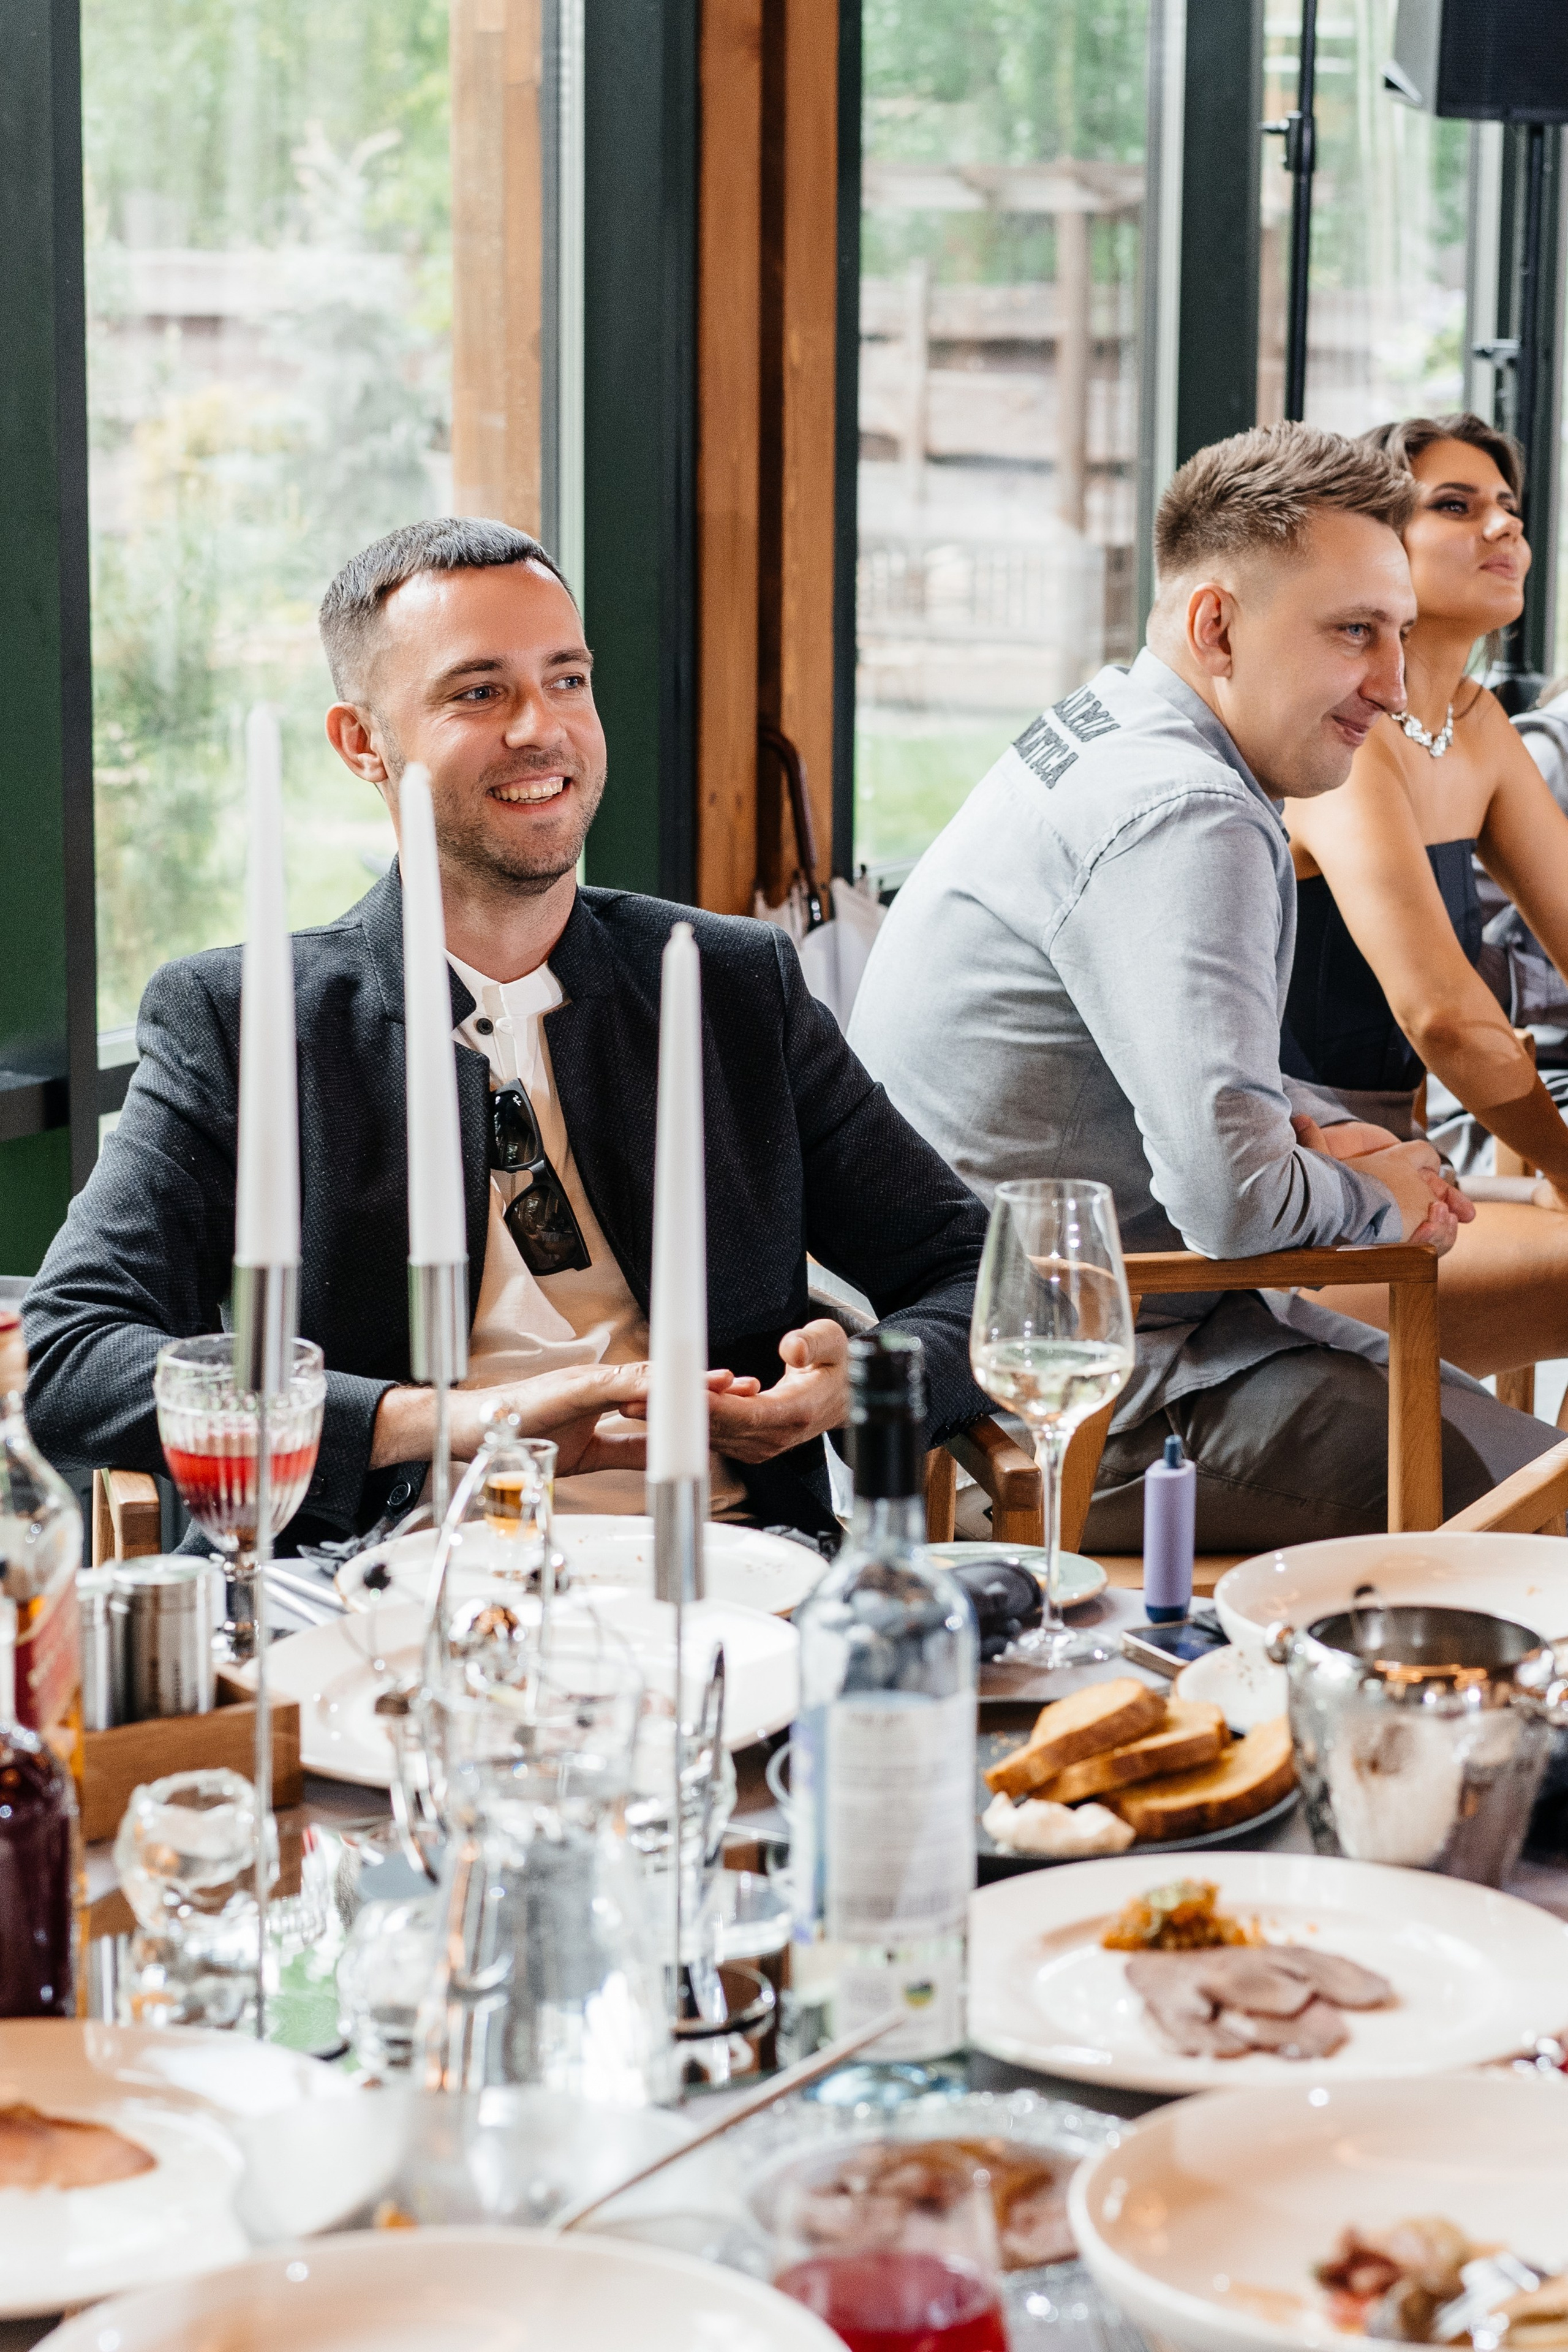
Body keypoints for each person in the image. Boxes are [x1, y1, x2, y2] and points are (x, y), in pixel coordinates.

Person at [23, 519, 993, 1548]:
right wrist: (446, 1423)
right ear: (363, 743)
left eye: (567, 680)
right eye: (479, 691)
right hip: (384, 1579)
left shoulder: (730, 983)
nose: (542, 728)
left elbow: (977, 1273)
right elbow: (71, 1355)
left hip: (736, 1567)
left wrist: (862, 1384)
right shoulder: (243, 1018)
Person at [849, 421, 1561, 1550]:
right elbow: (1231, 1205)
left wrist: (1327, 1132)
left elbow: (1186, 1056)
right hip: (1097, 1383)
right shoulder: (1192, 813)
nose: (1388, 684)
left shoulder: (1107, 723)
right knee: (1552, 1508)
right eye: (1352, 634)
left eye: (1399, 633)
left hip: (997, 1326)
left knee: (1519, 1455)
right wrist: (1393, 1198)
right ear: (1215, 624)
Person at [1281, 415, 1568, 1380]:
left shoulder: (1479, 728)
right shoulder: (1344, 737)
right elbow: (1443, 1016)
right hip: (1297, 1203)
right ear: (1376, 546)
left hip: (1408, 1172)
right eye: (1457, 506)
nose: (1504, 532)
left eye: (1510, 512)